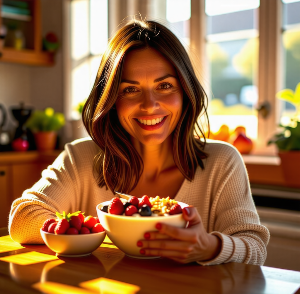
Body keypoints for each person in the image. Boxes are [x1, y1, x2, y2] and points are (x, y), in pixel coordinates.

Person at [9, 19, 269, 265]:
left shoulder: (222, 161)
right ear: (111, 100)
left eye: (165, 86)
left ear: (186, 93)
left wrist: (210, 246)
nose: (149, 105)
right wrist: (92, 229)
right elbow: (22, 218)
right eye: (130, 90)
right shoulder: (80, 157)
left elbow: (255, 248)